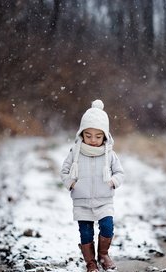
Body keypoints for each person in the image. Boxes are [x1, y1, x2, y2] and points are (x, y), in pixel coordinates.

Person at [61, 99, 124, 272]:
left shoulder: (109, 154)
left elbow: (120, 173)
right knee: (86, 233)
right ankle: (90, 262)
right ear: (82, 134)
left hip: (104, 200)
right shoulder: (75, 152)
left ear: (105, 135)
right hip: (82, 201)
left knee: (107, 227)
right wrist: (71, 183)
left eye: (98, 136)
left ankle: (103, 254)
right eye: (88, 136)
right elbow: (64, 172)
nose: (93, 140)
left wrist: (113, 182)